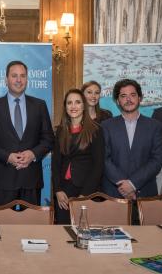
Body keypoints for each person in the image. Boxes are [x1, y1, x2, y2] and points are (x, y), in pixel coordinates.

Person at [0, 60, 54, 206]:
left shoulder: (40, 105)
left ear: (27, 79)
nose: (18, 80)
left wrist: (32, 154)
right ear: (6, 79)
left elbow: (48, 139)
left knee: (31, 227)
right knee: (2, 227)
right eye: (14, 76)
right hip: (4, 180)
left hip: (31, 179)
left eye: (22, 76)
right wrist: (8, 157)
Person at [101, 79, 162, 202]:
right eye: (123, 96)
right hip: (114, 193)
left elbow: (156, 160)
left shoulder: (155, 126)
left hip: (145, 193)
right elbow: (104, 158)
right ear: (117, 101)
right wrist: (123, 186)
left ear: (140, 98)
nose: (128, 99)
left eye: (133, 95)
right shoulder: (106, 126)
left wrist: (132, 184)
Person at [52, 88, 104, 224]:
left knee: (85, 232)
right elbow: (56, 163)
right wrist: (57, 190)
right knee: (63, 232)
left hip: (87, 189)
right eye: (69, 103)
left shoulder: (95, 130)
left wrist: (84, 195)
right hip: (64, 191)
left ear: (84, 106)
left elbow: (98, 166)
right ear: (65, 107)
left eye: (77, 102)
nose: (73, 106)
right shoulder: (61, 131)